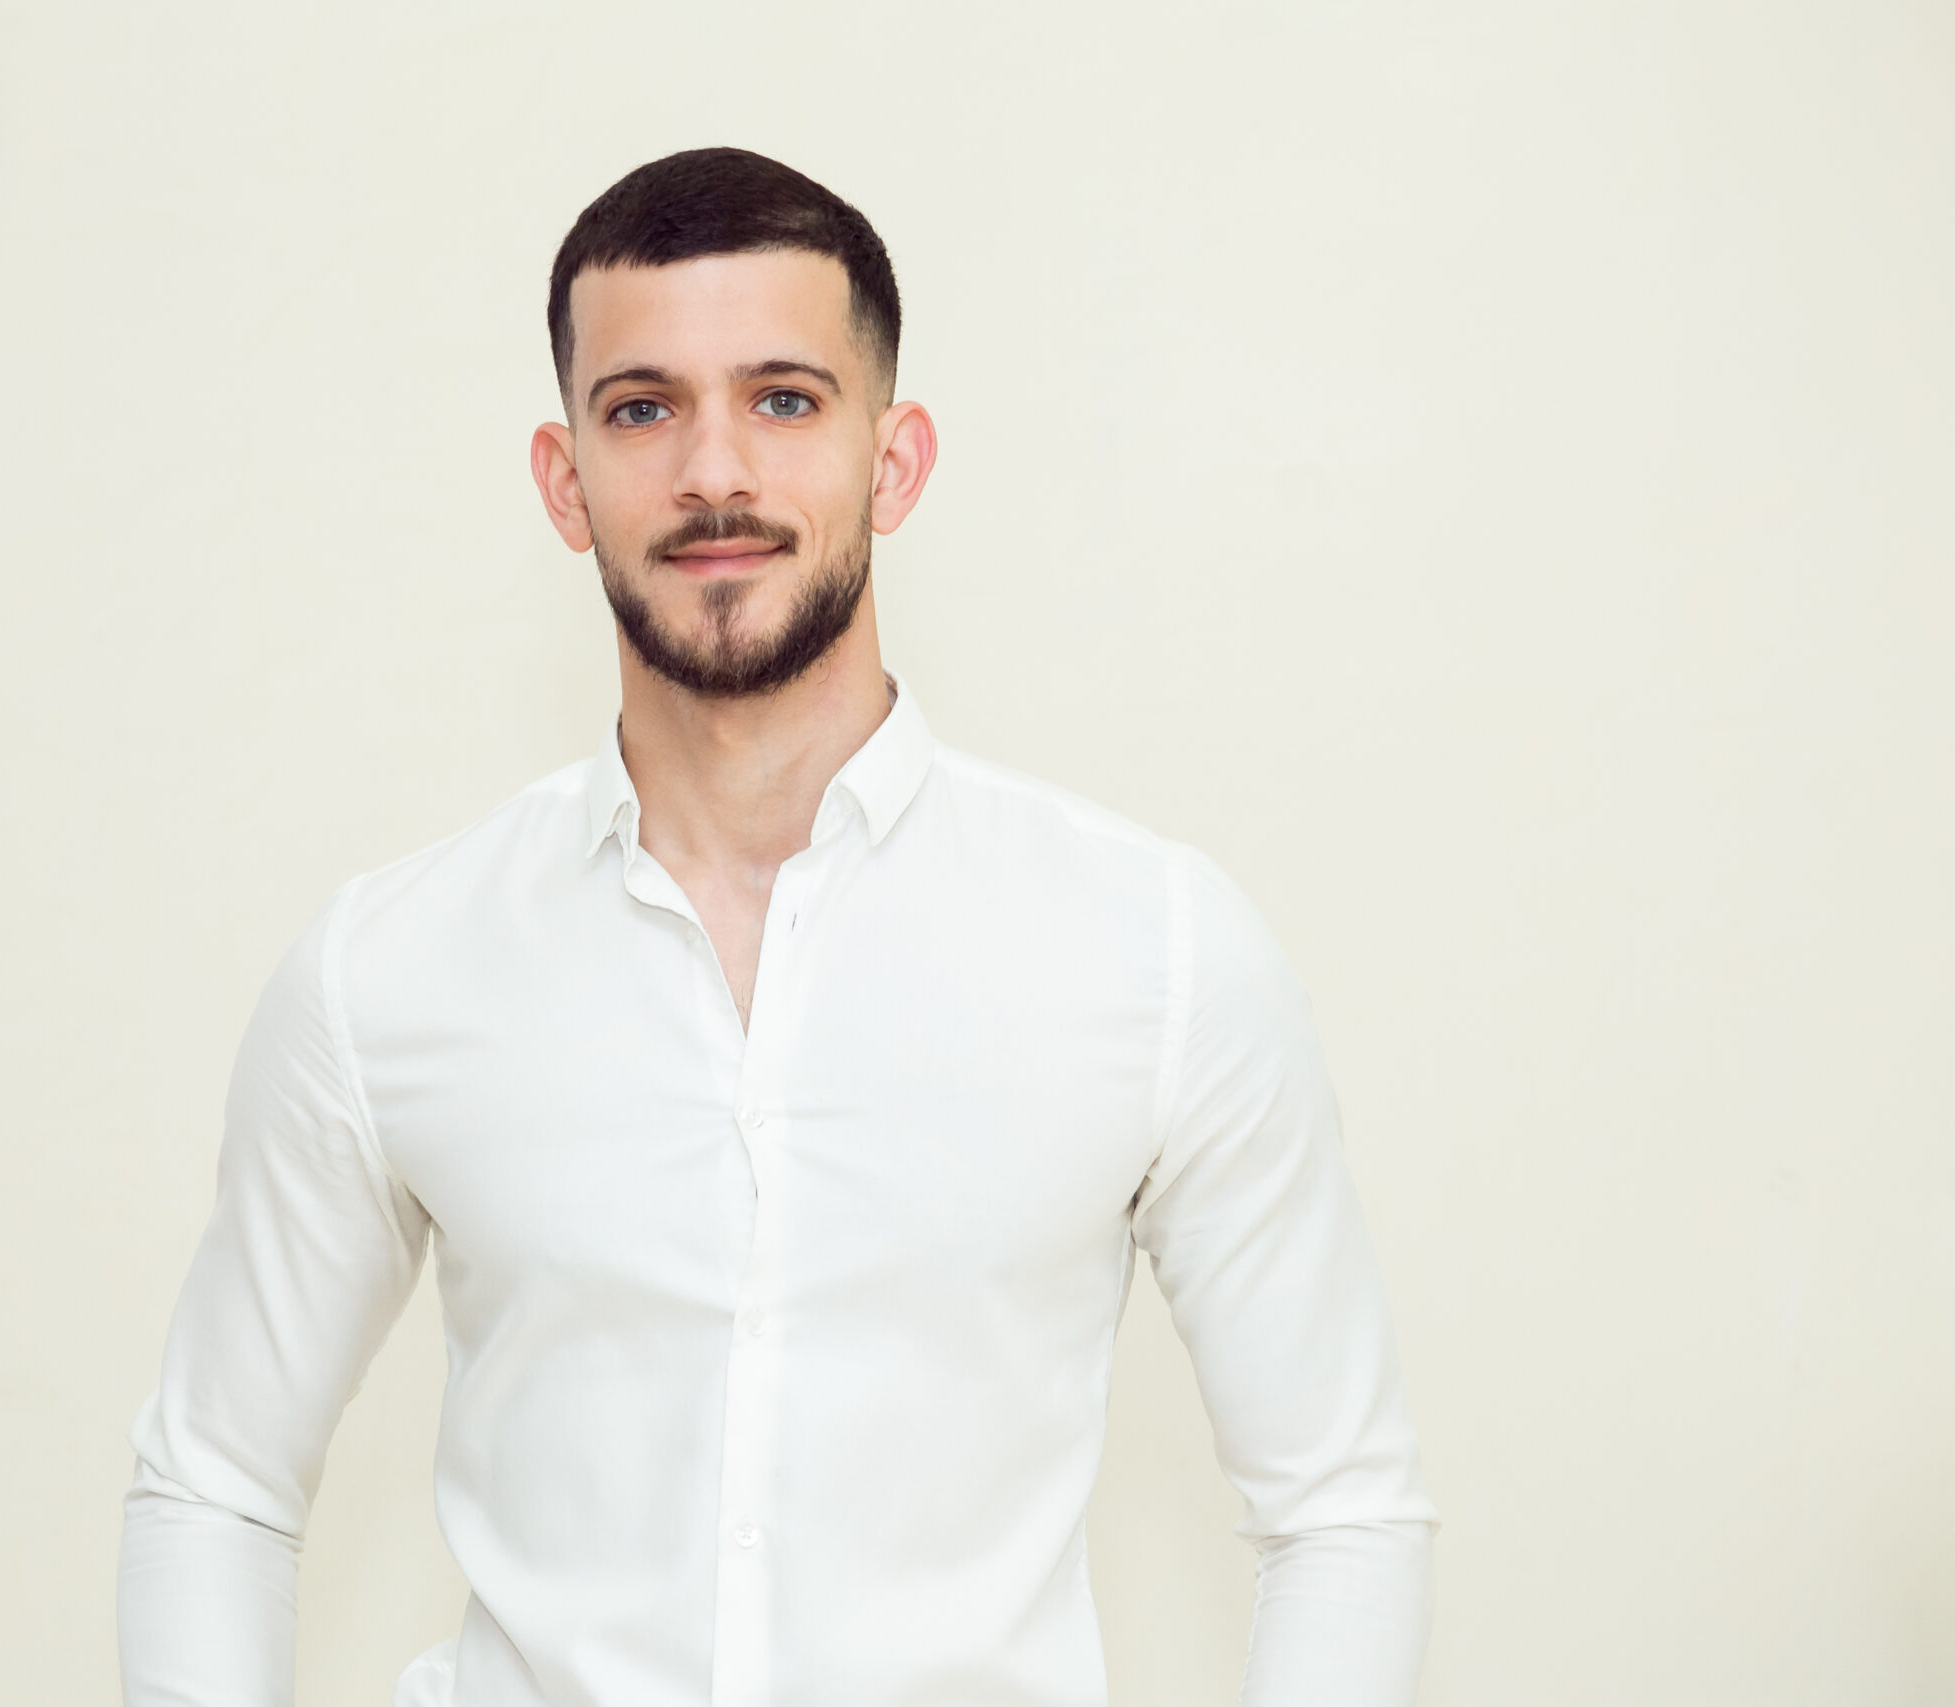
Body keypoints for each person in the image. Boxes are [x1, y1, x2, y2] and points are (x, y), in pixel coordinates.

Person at [116, 146, 1440, 1707]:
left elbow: (1342, 1507)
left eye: (786, 400)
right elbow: (216, 1481)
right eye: (642, 409)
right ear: (564, 480)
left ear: (895, 461)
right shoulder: (385, 971)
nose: (714, 472)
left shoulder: (1154, 952)